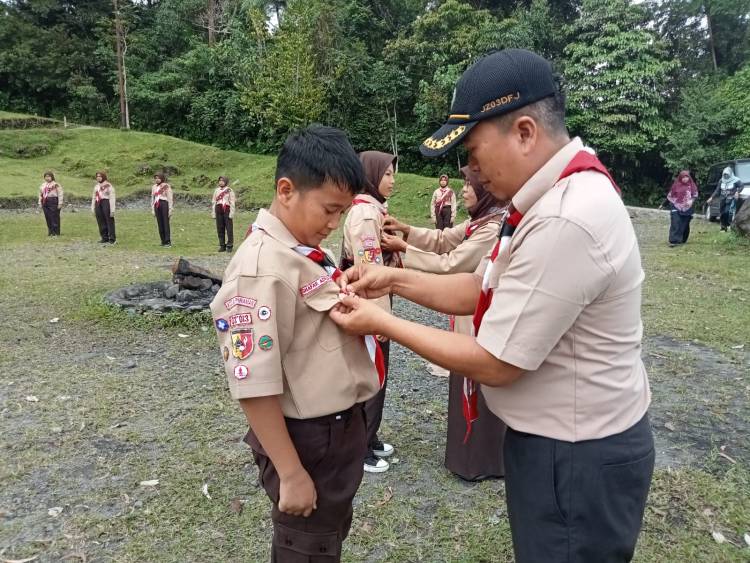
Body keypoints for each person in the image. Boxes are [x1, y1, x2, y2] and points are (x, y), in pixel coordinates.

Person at [330, 49, 653, 563]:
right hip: (560, 443)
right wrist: (392, 277)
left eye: (474, 151)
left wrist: (383, 319)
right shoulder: (550, 198)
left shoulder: (566, 219)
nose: (471, 171)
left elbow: (495, 362)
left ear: (525, 132)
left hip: (575, 456)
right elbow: (485, 287)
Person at [210, 126, 383, 563]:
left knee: (326, 536)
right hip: (308, 440)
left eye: (341, 213)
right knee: (306, 547)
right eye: (328, 210)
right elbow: (253, 383)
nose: (333, 224)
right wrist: (290, 472)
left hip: (338, 429)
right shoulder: (259, 270)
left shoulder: (300, 249)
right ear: (286, 190)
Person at [382, 165, 507, 481]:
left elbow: (451, 264)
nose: (463, 190)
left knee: (477, 385)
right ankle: (470, 457)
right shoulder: (479, 221)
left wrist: (403, 251)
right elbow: (442, 238)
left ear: (486, 190)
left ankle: (481, 462)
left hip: (481, 318)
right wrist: (407, 229)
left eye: (469, 184)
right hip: (469, 314)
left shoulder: (492, 228)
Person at [340, 150, 398, 474]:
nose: (392, 180)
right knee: (372, 377)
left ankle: (370, 436)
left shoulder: (373, 210)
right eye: (387, 174)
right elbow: (369, 270)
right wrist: (379, 320)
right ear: (372, 175)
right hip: (369, 305)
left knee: (378, 375)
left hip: (373, 302)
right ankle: (361, 449)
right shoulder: (365, 216)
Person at [663, 170, 697, 246]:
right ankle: (674, 240)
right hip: (675, 206)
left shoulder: (692, 186)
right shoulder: (676, 185)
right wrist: (663, 204)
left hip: (687, 208)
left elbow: (695, 195)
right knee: (675, 222)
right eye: (683, 177)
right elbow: (670, 196)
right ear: (680, 177)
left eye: (687, 177)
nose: (685, 179)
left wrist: (691, 200)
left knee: (684, 224)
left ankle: (682, 239)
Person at [708, 166, 742, 231]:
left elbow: (741, 186)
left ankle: (728, 224)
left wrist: (737, 192)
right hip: (722, 199)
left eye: (727, 174)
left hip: (730, 198)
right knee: (722, 213)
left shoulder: (736, 180)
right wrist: (711, 197)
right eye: (724, 174)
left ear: (730, 173)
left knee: (727, 212)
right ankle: (723, 227)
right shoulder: (721, 180)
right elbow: (717, 190)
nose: (725, 175)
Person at [212, 176, 236, 252]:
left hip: (227, 210)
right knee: (220, 228)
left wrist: (231, 213)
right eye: (220, 180)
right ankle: (222, 245)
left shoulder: (230, 190)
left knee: (229, 228)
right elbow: (214, 202)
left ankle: (229, 245)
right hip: (218, 210)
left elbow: (232, 202)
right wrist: (213, 213)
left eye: (222, 181)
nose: (221, 182)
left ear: (226, 182)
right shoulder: (216, 190)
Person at [91, 171, 116, 245]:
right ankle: (104, 237)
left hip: (106, 202)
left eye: (100, 176)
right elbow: (94, 197)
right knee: (100, 220)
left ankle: (112, 238)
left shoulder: (108, 186)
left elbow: (112, 198)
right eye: (97, 176)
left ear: (103, 177)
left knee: (109, 220)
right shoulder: (96, 186)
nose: (98, 177)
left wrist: (112, 210)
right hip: (98, 203)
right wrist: (93, 207)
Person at [151, 173, 173, 247]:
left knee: (165, 223)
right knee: (159, 223)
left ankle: (168, 241)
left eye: (158, 178)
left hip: (164, 204)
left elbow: (170, 197)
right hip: (157, 205)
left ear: (162, 178)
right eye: (155, 178)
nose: (157, 179)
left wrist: (170, 209)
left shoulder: (166, 186)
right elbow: (152, 198)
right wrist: (152, 209)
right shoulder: (154, 187)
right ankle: (163, 241)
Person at [38, 171, 63, 236]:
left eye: (49, 176)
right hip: (45, 201)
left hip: (53, 201)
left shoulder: (56, 184)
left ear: (52, 177)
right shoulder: (43, 185)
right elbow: (40, 194)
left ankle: (56, 232)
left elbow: (60, 194)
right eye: (46, 176)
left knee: (54, 217)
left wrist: (60, 203)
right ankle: (50, 232)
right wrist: (39, 203)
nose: (47, 178)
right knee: (47, 217)